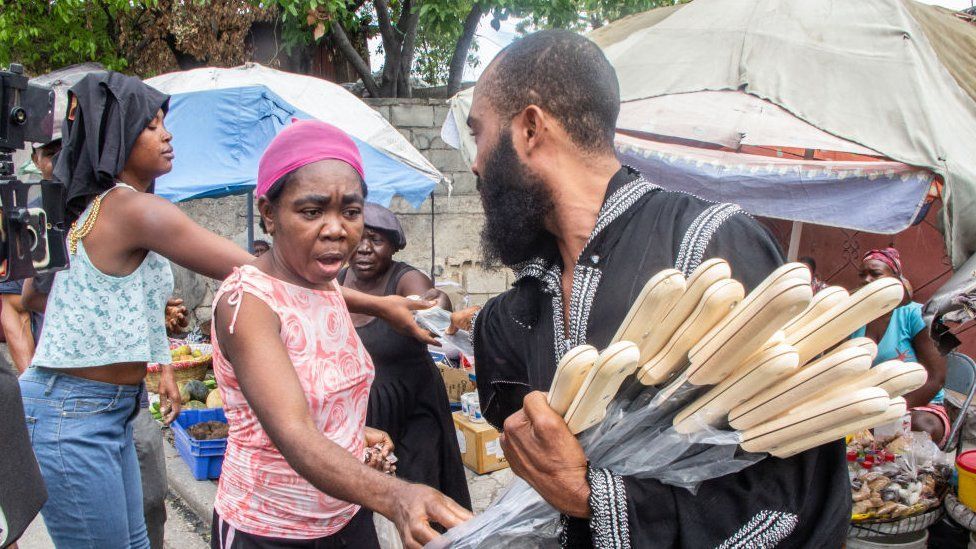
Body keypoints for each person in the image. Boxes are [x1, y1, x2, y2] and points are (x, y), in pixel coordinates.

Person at [456, 30, 850, 547]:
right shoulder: (512, 313)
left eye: (478, 133)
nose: (475, 163)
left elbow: (797, 491)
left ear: (530, 128)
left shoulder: (712, 244)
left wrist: (593, 498)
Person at [20, 72, 441, 549]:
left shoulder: (100, 211)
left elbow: (40, 295)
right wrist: (381, 306)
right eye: (151, 124)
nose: (168, 134)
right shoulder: (132, 210)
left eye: (165, 122)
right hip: (73, 408)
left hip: (111, 402)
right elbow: (266, 275)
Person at [210, 120, 470, 549]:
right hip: (271, 529)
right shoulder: (248, 303)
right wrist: (397, 495)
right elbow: (294, 433)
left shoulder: (325, 282)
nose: (337, 229)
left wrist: (352, 433)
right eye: (311, 212)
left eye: (351, 212)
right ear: (269, 214)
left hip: (345, 518)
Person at [339, 203, 471, 511]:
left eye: (376, 240)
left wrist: (437, 302)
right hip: (363, 413)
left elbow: (430, 298)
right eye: (358, 239)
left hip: (413, 411)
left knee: (422, 493)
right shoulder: (337, 282)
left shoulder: (402, 278)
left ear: (393, 246)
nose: (365, 249)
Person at [853, 247, 948, 445]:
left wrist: (893, 409)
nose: (866, 280)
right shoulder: (855, 318)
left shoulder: (920, 314)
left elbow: (936, 378)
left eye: (875, 274)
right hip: (869, 405)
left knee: (923, 426)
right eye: (862, 275)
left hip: (917, 404)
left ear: (895, 278)